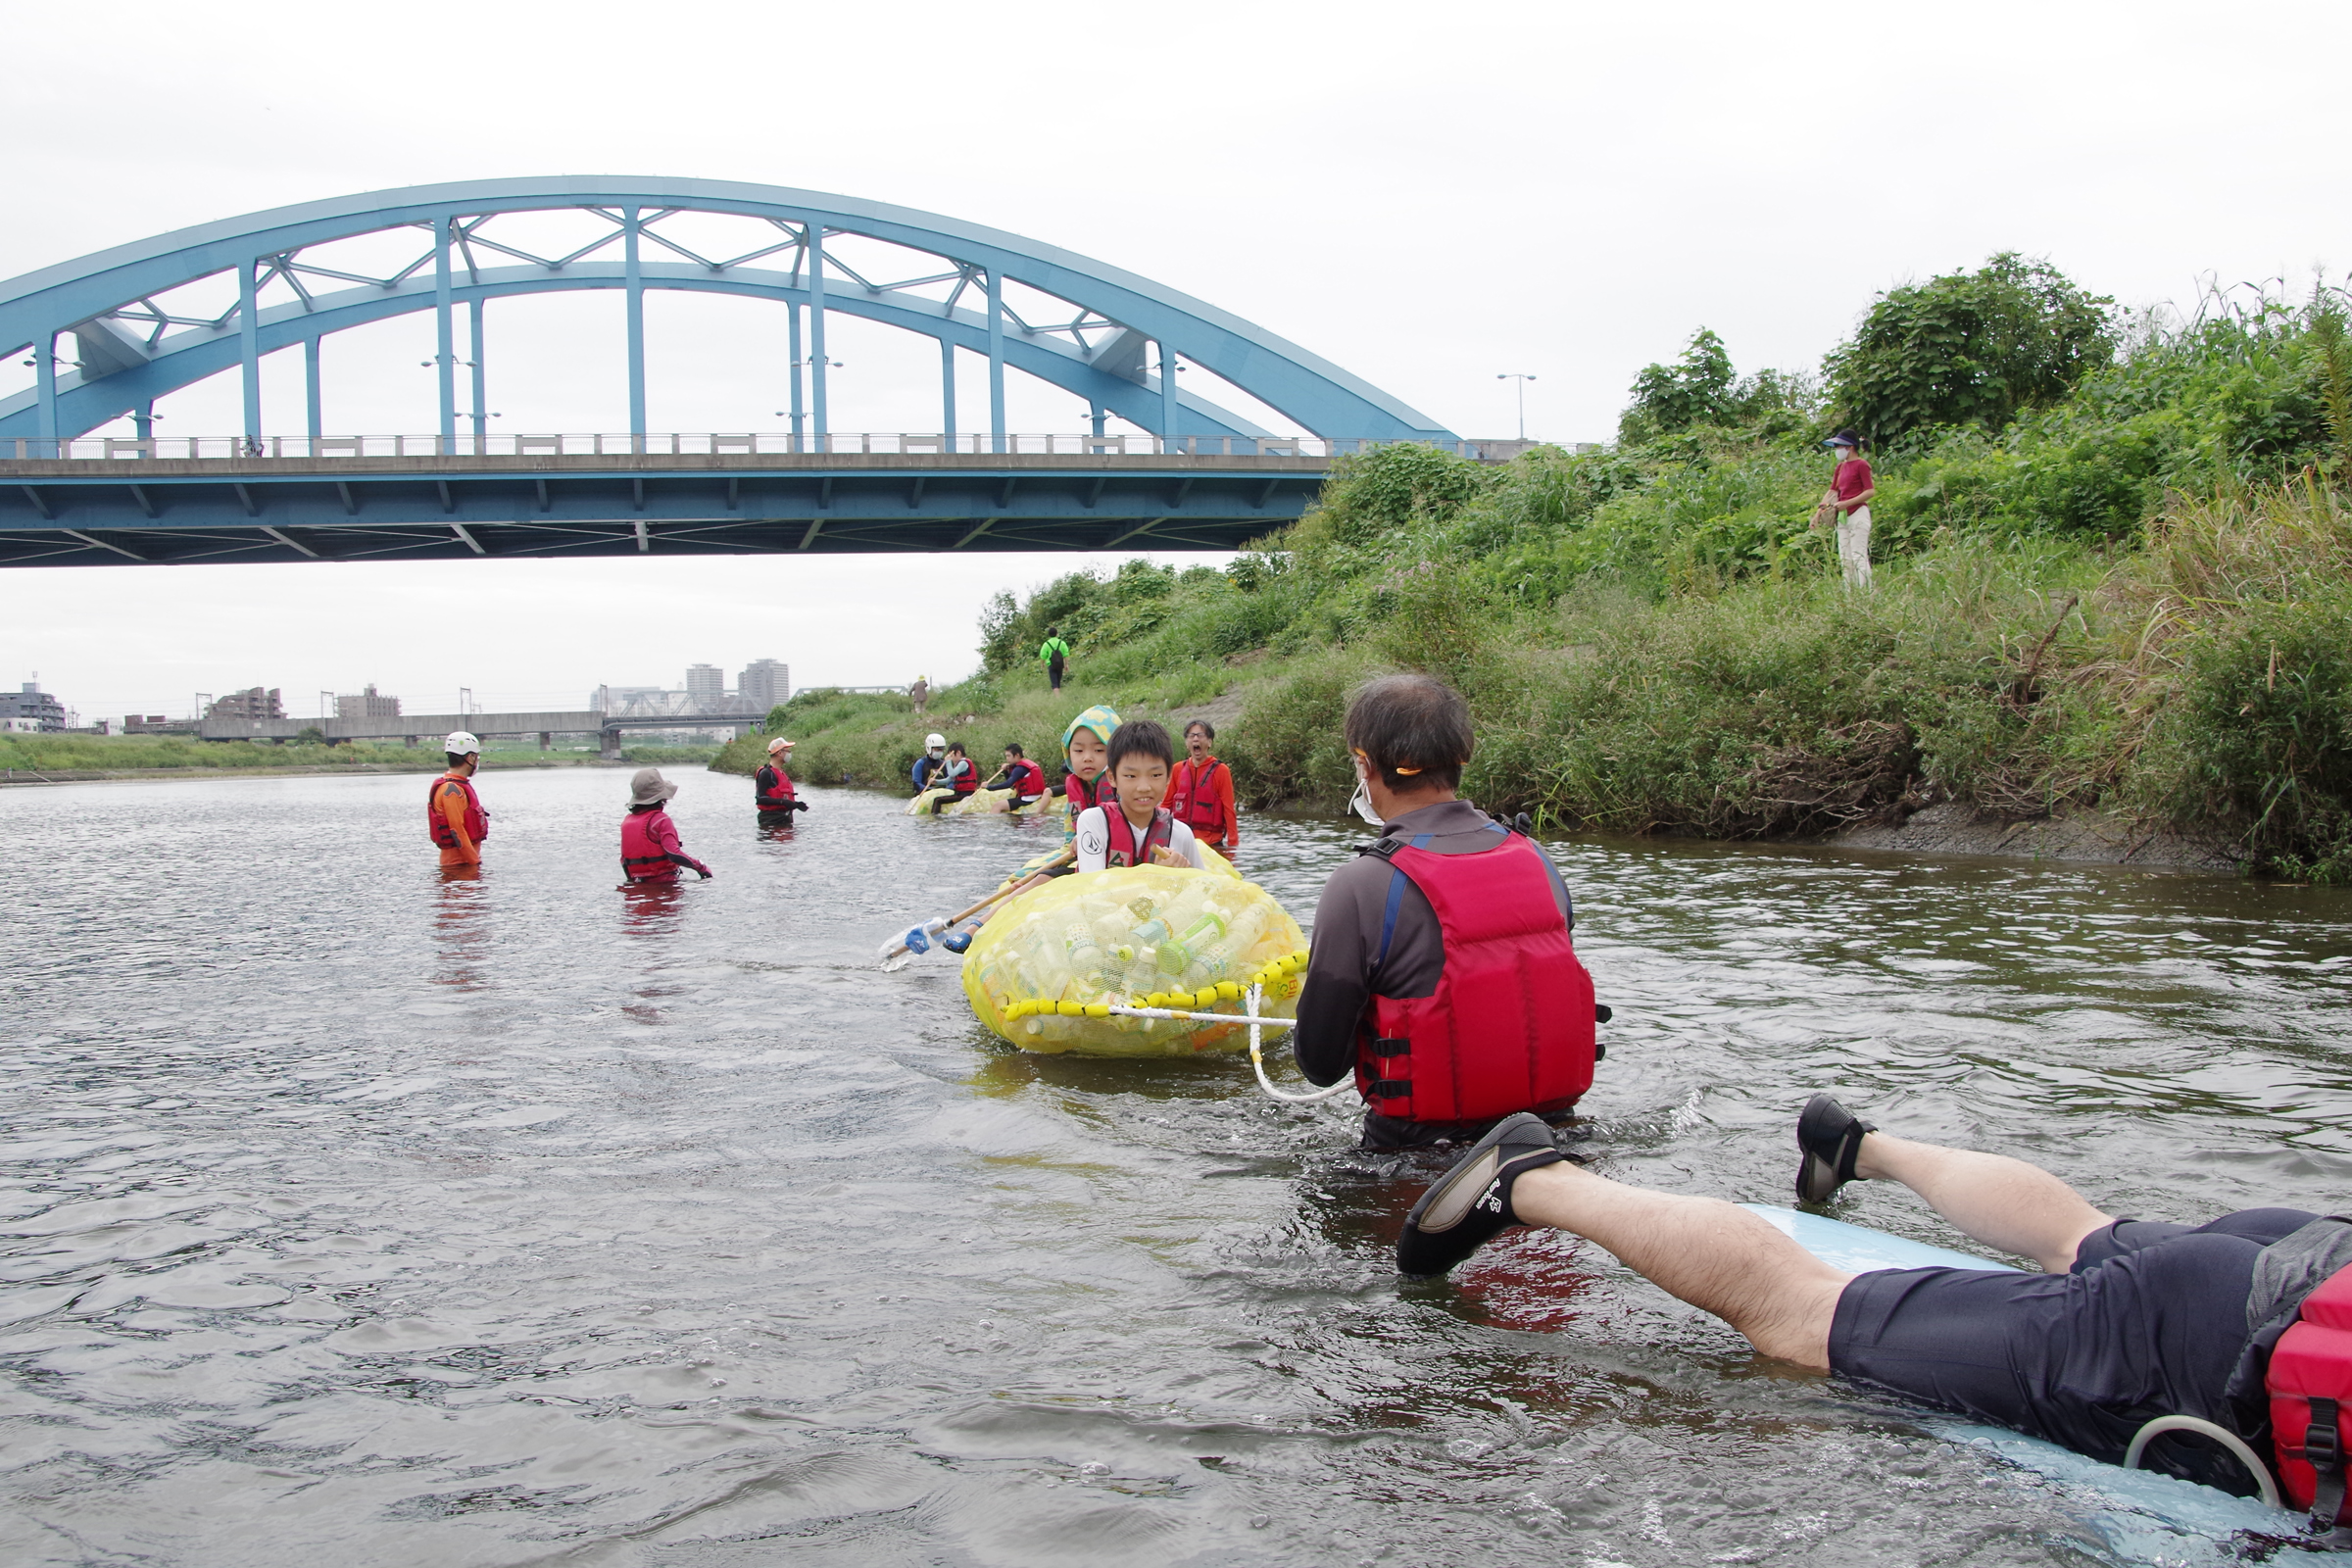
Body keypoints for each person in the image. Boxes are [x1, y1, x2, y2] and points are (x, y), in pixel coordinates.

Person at [1395, 1096, 2352, 1527]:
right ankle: (1535, 1182)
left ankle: (1857, 1147)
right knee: (1801, 1311)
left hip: (2297, 1267)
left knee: (2086, 1235)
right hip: (2223, 1354)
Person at [1292, 673, 1597, 1151]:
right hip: (1556, 1141)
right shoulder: (1538, 859)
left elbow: (1319, 1064)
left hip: (1417, 1157)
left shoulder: (1359, 886)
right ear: (1461, 756)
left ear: (1365, 765)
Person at [1072, 719, 1205, 871]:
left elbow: (1205, 890)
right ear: (1112, 777)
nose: (1144, 787)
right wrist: (1161, 876)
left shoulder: (1181, 834)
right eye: (1131, 776)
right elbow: (1093, 888)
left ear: (1169, 776)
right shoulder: (1094, 822)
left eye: (1155, 775)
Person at [620, 768, 711, 882]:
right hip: (665, 884)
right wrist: (701, 867)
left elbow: (624, 861)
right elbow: (674, 854)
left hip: (637, 884)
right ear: (662, 798)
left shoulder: (627, 822)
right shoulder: (661, 820)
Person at [1814, 428, 1876, 592]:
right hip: (1843, 516)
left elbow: (1870, 491)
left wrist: (1847, 503)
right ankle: (1849, 595)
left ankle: (1865, 593)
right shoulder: (1840, 467)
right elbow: (1832, 491)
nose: (1837, 450)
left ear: (1850, 447)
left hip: (1858, 513)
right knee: (1845, 559)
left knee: (1858, 556)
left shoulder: (1861, 465)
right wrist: (1818, 513)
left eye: (1839, 446)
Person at [1168, 719, 1239, 858]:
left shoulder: (1221, 770)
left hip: (1211, 844)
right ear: (1186, 743)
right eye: (1191, 736)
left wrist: (1232, 848)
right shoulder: (1177, 769)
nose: (1195, 739)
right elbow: (1166, 806)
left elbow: (1229, 811)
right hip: (1182, 843)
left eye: (1200, 735)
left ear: (1209, 742)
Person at [427, 729, 488, 870]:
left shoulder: (457, 785)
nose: (477, 761)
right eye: (477, 757)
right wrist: (475, 864)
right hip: (458, 867)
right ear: (471, 757)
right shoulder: (452, 790)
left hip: (464, 865)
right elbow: (457, 831)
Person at [755, 736, 808, 827]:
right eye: (787, 751)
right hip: (770, 821)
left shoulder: (781, 773)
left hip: (784, 818)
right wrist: (783, 802)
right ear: (780, 753)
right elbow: (760, 799)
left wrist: (795, 804)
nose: (789, 754)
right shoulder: (766, 773)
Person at [982, 742, 1048, 808]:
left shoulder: (1019, 768)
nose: (1007, 758)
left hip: (1028, 799)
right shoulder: (1022, 765)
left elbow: (1008, 784)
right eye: (1006, 756)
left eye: (1008, 756)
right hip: (1034, 796)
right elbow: (1012, 783)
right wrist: (1005, 771)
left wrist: (988, 787)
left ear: (1017, 755)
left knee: (997, 806)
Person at [928, 741, 979, 813]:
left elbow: (952, 774)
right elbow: (949, 779)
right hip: (960, 792)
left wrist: (948, 762)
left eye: (951, 756)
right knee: (942, 797)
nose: (951, 759)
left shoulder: (963, 763)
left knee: (938, 800)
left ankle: (934, 819)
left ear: (958, 753)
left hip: (965, 793)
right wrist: (935, 781)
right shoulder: (959, 764)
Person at [1039, 629, 1071, 694]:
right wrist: (1066, 664)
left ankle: (1057, 698)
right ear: (1057, 634)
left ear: (1049, 635)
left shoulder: (1046, 644)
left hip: (1051, 665)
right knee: (1058, 682)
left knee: (1054, 683)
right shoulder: (1062, 643)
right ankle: (1058, 695)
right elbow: (1066, 654)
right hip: (1060, 664)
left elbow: (1043, 656)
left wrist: (1042, 664)